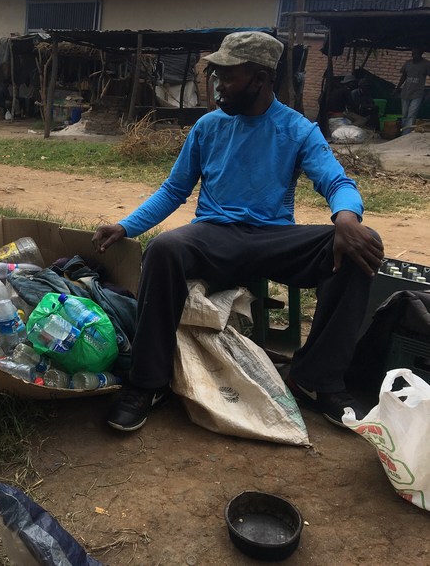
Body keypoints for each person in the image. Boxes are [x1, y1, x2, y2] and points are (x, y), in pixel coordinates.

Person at [92, 31, 383, 434]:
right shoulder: (208, 127)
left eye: (228, 76)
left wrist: (347, 217)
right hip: (214, 236)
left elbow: (337, 182)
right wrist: (126, 226)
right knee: (165, 248)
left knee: (360, 244)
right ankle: (148, 383)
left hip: (272, 239)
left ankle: (317, 379)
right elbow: (174, 190)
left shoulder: (296, 129)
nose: (217, 85)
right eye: (216, 74)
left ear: (260, 78)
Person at [395, 48, 429, 135]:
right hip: (405, 93)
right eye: (412, 54)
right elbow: (403, 76)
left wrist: (428, 93)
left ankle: (405, 135)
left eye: (416, 54)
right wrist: (397, 88)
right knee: (404, 115)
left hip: (417, 94)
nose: (414, 56)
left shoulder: (426, 64)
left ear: (421, 53)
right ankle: (403, 132)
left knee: (411, 115)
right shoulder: (408, 63)